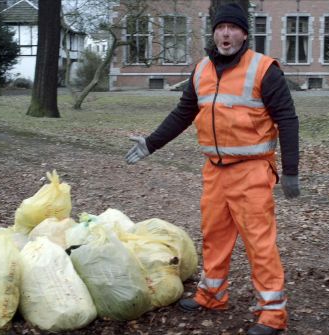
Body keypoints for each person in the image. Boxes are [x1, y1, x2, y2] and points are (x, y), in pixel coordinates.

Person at [125, 3, 299, 335]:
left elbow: (288, 120)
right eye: (221, 28)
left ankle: (273, 314)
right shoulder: (202, 69)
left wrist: (291, 170)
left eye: (233, 28)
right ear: (214, 32)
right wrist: (151, 143)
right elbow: (182, 113)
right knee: (214, 237)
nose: (226, 33)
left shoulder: (264, 70)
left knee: (259, 243)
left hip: (252, 172)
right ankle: (213, 294)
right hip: (215, 171)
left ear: (244, 33)